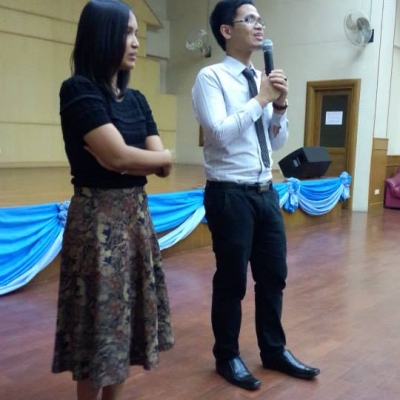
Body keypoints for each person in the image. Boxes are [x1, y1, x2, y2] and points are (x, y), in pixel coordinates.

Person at [191, 0, 320, 391]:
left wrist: (278, 106)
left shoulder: (260, 79)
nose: (259, 26)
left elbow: (275, 142)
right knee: (232, 281)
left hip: (266, 192)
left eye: (260, 20)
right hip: (229, 193)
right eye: (249, 20)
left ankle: (274, 350)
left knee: (274, 277)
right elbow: (218, 133)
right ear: (226, 31)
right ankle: (227, 355)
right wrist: (262, 99)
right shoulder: (210, 77)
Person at [51, 1, 174, 399]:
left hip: (135, 219)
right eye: (127, 32)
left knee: (125, 323)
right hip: (97, 223)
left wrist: (152, 158)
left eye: (136, 33)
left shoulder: (136, 100)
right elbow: (120, 156)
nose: (136, 42)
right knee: (97, 323)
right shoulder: (78, 90)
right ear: (101, 35)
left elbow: (158, 163)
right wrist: (136, 159)